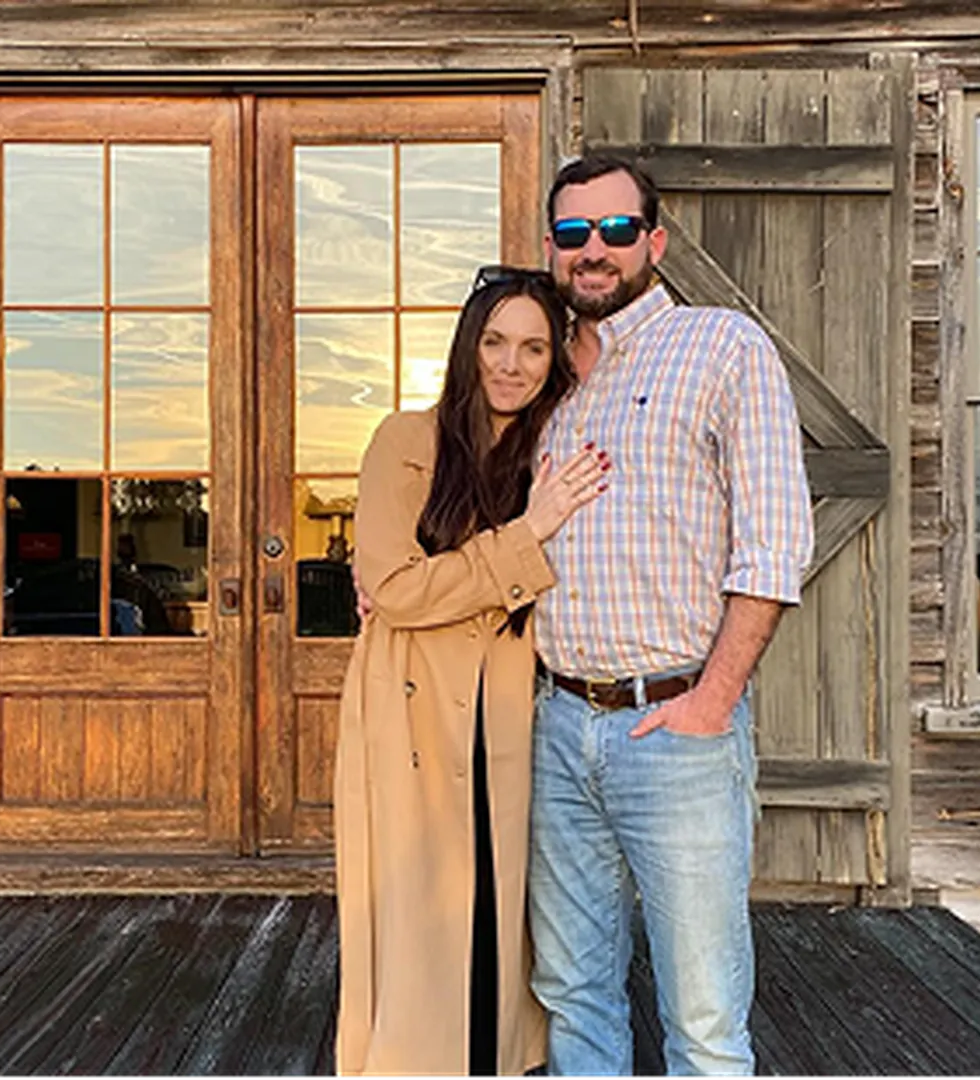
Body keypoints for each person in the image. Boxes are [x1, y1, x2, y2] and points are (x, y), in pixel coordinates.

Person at [527, 155, 814, 1079]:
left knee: (700, 1018)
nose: (594, 251)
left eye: (616, 230)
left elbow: (773, 542)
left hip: (676, 725)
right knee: (574, 995)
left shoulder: (721, 346)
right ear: (553, 249)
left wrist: (712, 700)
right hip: (555, 724)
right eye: (574, 235)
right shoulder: (538, 383)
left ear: (654, 240)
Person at [335, 266, 608, 1080]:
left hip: (515, 713)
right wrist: (525, 538)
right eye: (494, 342)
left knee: (506, 915)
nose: (510, 365)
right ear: (467, 346)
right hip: (411, 712)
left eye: (532, 347)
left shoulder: (553, 449)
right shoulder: (406, 441)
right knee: (419, 920)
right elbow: (391, 586)